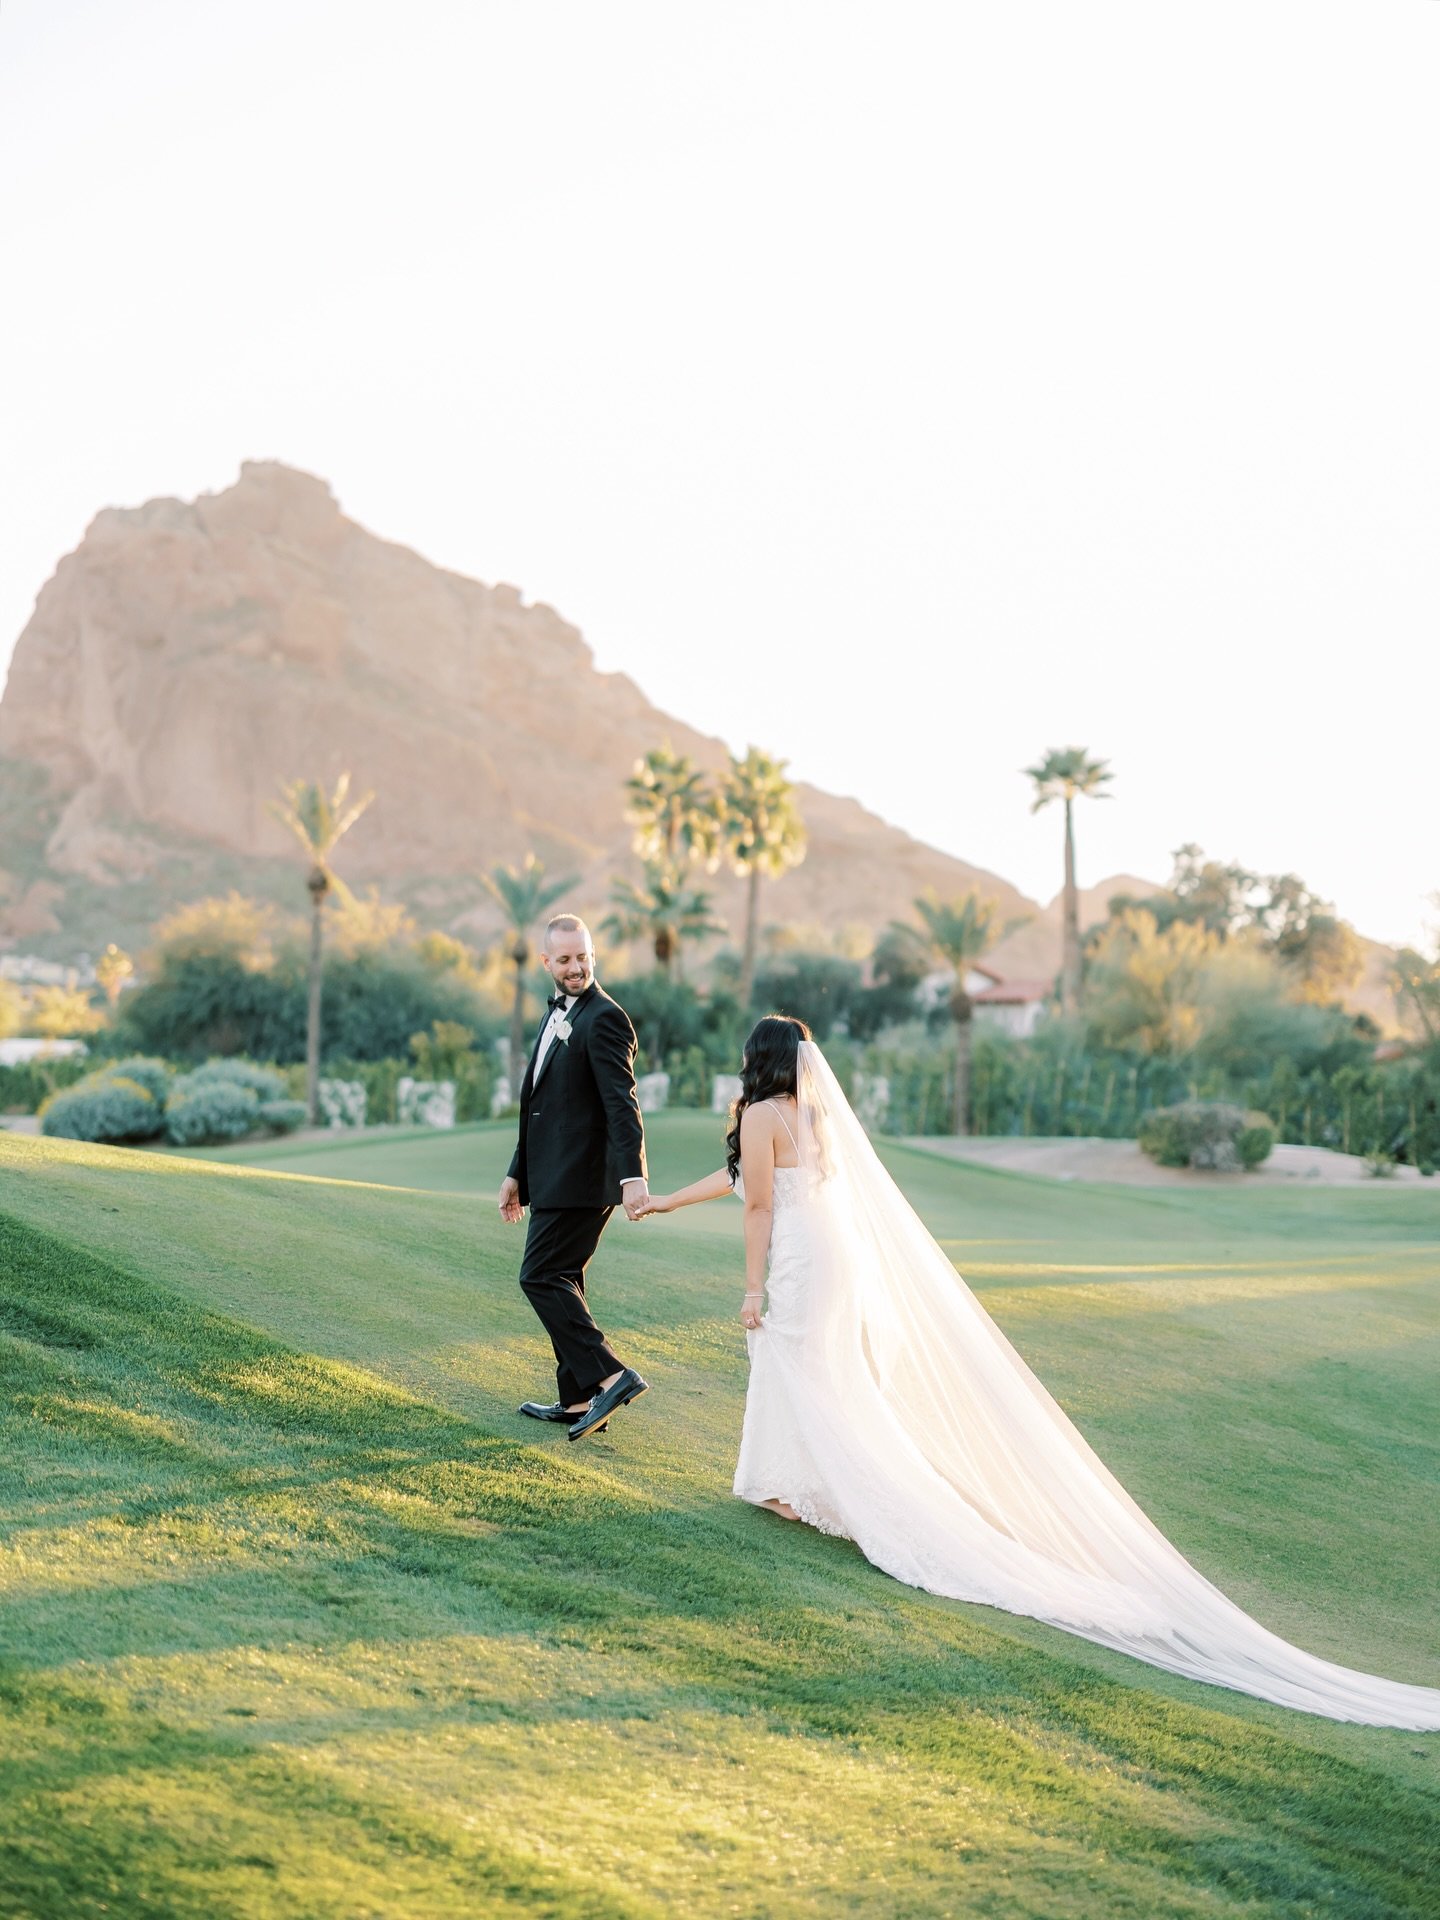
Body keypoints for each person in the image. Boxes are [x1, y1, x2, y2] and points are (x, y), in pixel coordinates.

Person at [636, 1014, 1440, 1729]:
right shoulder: (814, 1116)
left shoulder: (760, 1116)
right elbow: (753, 1183)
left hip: (804, 1259)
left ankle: (823, 1490)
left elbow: (758, 1207)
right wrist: (666, 1201)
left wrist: (749, 1287)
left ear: (757, 1060)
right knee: (822, 1371)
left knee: (798, 1362)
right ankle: (785, 1483)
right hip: (837, 1257)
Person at [498, 914, 650, 1442]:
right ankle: (578, 1397)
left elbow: (621, 1103)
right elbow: (541, 1104)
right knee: (566, 1277)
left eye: (582, 957)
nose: (576, 967)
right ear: (547, 963)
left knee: (539, 1275)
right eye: (564, 959)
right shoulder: (559, 1013)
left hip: (584, 1179)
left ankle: (611, 1375)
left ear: (592, 954)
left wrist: (632, 1175)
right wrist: (517, 1174)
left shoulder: (605, 1017)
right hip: (552, 1175)